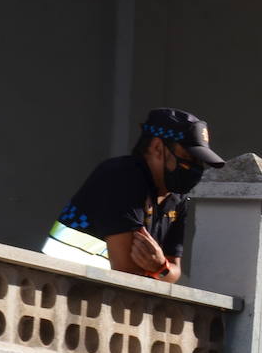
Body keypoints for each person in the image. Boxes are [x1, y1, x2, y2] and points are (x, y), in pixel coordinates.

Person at [44, 108, 224, 282]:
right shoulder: (121, 175)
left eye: (199, 161)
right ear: (157, 147)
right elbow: (127, 271)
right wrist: (160, 269)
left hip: (102, 298)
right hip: (60, 289)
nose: (195, 167)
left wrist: (161, 268)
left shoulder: (177, 198)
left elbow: (174, 271)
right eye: (188, 157)